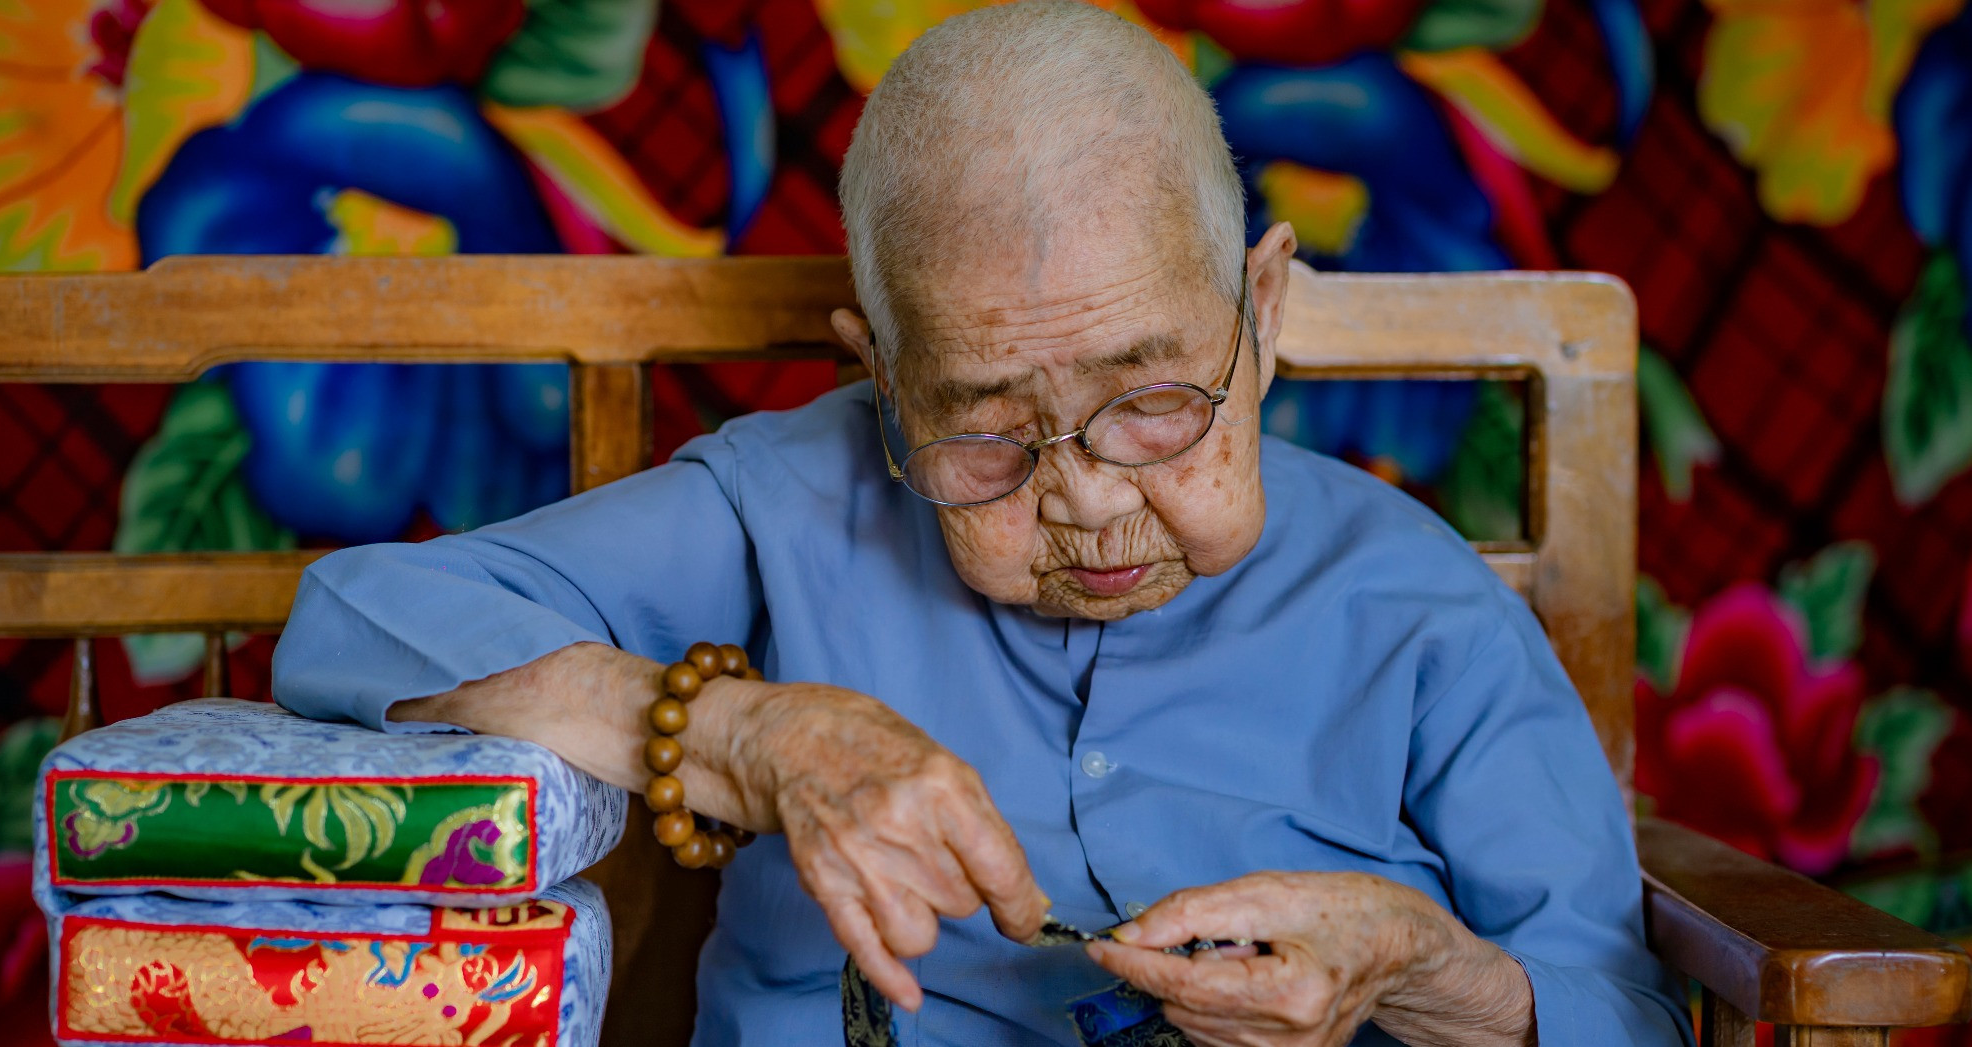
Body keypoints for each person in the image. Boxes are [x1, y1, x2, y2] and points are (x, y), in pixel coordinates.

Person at [271, 4, 1691, 1044]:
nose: (1085, 497)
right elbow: (349, 624)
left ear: (1262, 313)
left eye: (1154, 401)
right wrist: (741, 736)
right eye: (987, 432)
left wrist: (1427, 975)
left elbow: (1621, 1012)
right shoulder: (788, 503)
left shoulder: (1418, 608)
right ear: (884, 383)